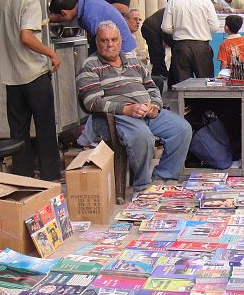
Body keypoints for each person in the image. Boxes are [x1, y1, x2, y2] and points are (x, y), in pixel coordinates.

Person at [76, 21, 192, 192]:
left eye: (114, 39)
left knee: (182, 129)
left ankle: (163, 177)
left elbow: (152, 86)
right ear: (96, 42)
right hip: (118, 116)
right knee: (143, 137)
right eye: (104, 40)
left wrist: (155, 106)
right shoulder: (90, 65)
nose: (110, 44)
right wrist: (125, 109)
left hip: (146, 111)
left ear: (121, 41)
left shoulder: (133, 60)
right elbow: (92, 102)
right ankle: (143, 184)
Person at [0, 0, 62, 181]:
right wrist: (50, 52)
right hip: (34, 74)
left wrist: (11, 41)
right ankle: (50, 174)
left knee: (19, 131)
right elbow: (26, 36)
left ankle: (22, 176)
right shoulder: (30, 0)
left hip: (12, 78)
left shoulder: (4, 0)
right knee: (44, 127)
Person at [161, 0, 220, 85]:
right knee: (205, 84)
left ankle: (186, 103)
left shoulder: (173, 0)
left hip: (181, 47)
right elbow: (215, 27)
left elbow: (166, 27)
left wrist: (178, 29)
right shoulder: (205, 1)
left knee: (183, 86)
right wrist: (202, 29)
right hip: (202, 47)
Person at [49, 0, 135, 55]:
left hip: (122, 51)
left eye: (60, 19)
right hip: (123, 45)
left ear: (64, 13)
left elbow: (103, 45)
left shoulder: (89, 16)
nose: (61, 21)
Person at [141, 7, 174, 82]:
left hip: (153, 27)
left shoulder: (172, 8)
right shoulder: (173, 10)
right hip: (151, 28)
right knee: (157, 53)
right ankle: (159, 75)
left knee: (158, 53)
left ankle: (160, 73)